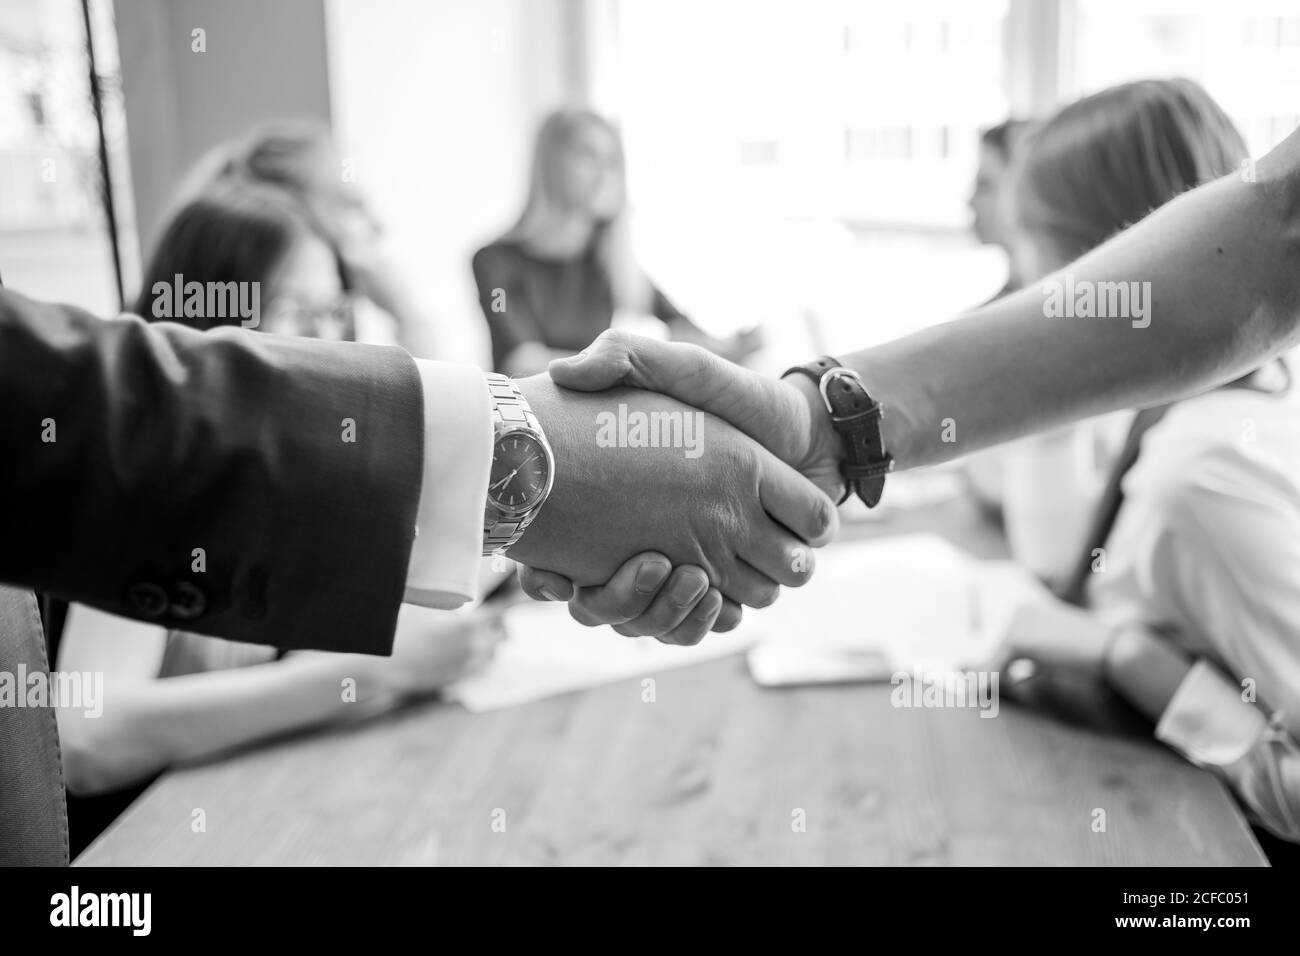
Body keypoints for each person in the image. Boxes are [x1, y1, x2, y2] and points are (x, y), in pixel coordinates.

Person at [523, 119, 1300, 634]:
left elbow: (1274, 235)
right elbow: (1274, 234)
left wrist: (1133, 670)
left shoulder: (1203, 472)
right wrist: (823, 424)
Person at [47, 182, 504, 858]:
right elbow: (84, 739)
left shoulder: (289, 473)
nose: (329, 343)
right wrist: (372, 672)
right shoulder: (149, 483)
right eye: (296, 311)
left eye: (333, 313)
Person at [471, 108, 760, 376]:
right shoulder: (495, 267)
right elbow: (521, 360)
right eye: (588, 155)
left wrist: (726, 349)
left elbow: (679, 325)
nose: (604, 173)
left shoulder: (607, 261)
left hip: (587, 414)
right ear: (551, 165)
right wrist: (630, 363)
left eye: (611, 161)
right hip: (521, 419)